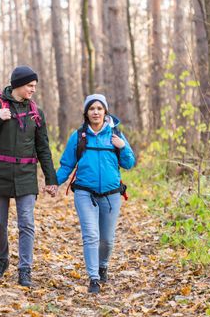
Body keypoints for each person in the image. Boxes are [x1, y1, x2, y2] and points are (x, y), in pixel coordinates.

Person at [0, 65, 58, 287]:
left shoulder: (36, 113)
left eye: (35, 86)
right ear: (18, 84)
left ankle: (25, 269)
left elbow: (44, 148)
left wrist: (51, 179)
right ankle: (1, 262)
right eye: (30, 85)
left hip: (25, 175)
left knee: (27, 224)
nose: (33, 90)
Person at [56, 94, 135, 293]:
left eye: (100, 108)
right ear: (86, 113)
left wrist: (123, 147)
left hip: (111, 195)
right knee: (91, 235)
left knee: (107, 239)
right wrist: (53, 183)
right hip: (84, 192)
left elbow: (129, 163)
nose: (96, 112)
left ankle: (103, 265)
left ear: (105, 112)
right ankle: (93, 278)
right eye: (92, 109)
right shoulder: (79, 136)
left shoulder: (115, 135)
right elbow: (66, 164)